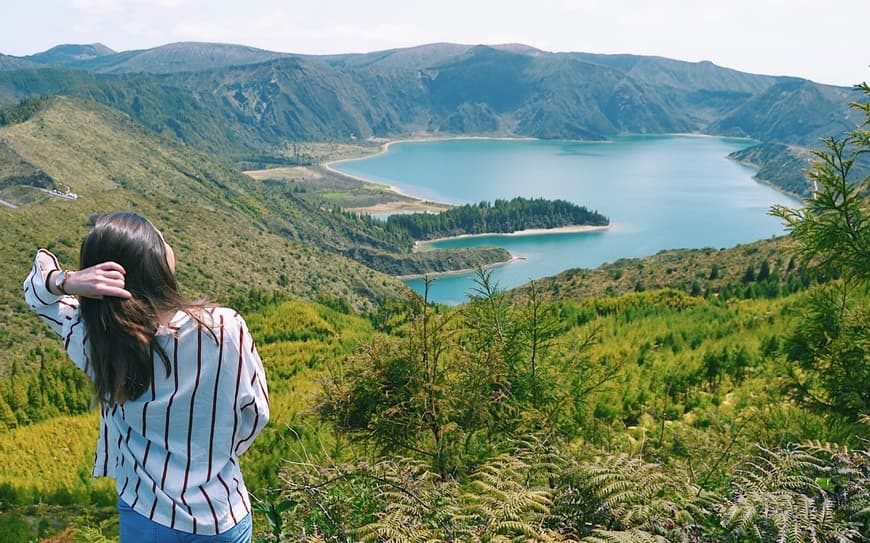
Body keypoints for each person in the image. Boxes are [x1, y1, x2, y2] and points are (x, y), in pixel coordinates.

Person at [23, 212, 269, 542]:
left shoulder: (96, 340)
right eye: (162, 240)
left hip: (144, 513)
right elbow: (255, 415)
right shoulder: (223, 329)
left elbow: (37, 294)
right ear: (154, 262)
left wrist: (66, 281)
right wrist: (211, 456)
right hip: (218, 513)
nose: (167, 244)